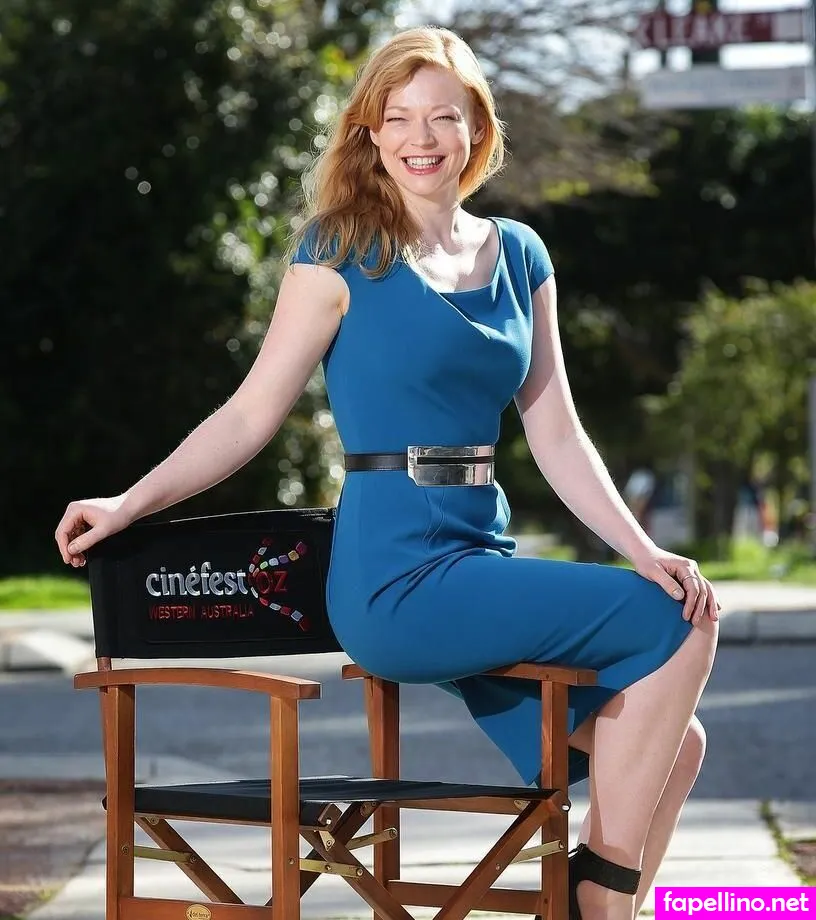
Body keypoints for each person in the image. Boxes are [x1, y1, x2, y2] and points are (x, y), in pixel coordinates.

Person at [55, 25, 719, 920]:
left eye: (443, 116)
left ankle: (601, 898)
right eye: (397, 117)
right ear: (370, 132)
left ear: (476, 128)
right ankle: (595, 898)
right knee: (678, 618)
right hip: (394, 577)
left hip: (480, 555)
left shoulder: (521, 257)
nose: (421, 138)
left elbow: (557, 431)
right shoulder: (339, 252)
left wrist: (642, 549)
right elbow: (249, 416)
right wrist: (129, 502)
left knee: (679, 743)